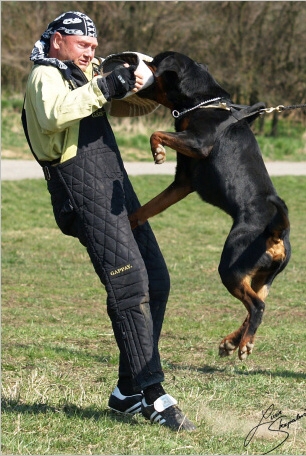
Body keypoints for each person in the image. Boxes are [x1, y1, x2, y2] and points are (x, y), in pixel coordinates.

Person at [22, 11, 195, 431]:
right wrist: (104, 84)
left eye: (95, 47)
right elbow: (53, 116)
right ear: (59, 40)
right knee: (130, 284)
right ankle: (154, 394)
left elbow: (125, 106)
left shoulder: (84, 73)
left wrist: (146, 82)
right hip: (81, 195)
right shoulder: (45, 75)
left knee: (156, 279)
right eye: (84, 44)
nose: (91, 51)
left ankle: (126, 392)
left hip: (114, 190)